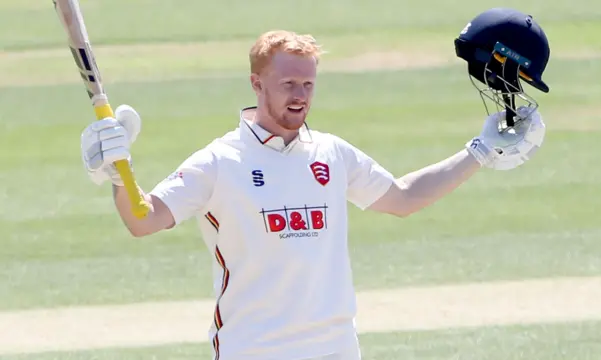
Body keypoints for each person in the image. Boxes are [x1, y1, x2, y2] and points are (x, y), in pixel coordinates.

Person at [79, 7, 550, 360]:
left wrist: (479, 153)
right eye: (288, 84)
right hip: (254, 350)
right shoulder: (220, 162)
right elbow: (143, 219)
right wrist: (117, 176)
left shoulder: (331, 153)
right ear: (256, 83)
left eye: (308, 84)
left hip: (335, 349)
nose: (300, 95)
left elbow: (403, 199)